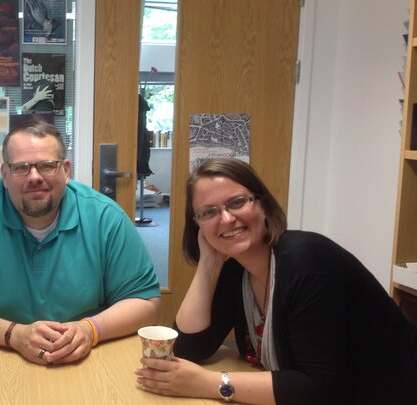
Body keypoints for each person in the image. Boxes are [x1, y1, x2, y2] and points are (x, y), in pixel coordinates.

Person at [135, 158, 417, 404]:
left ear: (263, 205)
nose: (226, 218)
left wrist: (211, 383)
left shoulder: (307, 263)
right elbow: (189, 349)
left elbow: (319, 390)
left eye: (237, 202)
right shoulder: (238, 271)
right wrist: (209, 262)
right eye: (208, 212)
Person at [0, 120, 161, 366]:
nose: (35, 177)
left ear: (66, 171)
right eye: (21, 168)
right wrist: (14, 334)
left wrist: (90, 329)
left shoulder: (105, 216)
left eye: (47, 166)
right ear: (5, 175)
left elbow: (145, 302)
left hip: (84, 358)